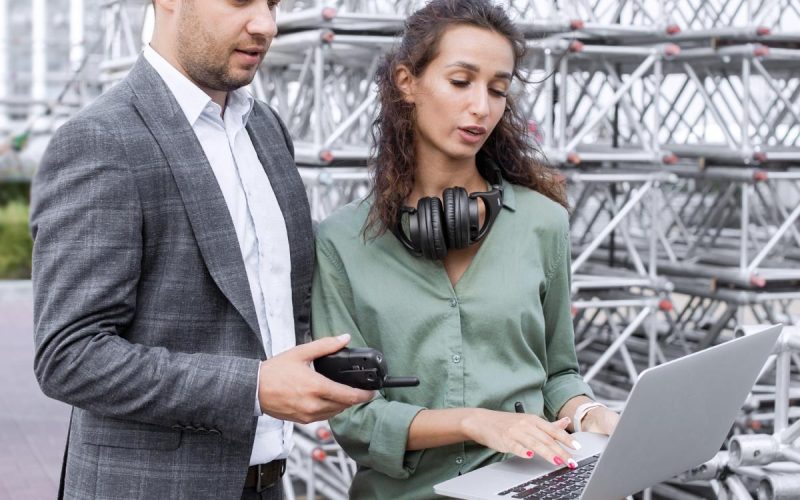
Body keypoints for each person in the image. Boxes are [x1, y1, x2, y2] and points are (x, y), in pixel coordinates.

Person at [29, 1, 373, 499]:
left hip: (269, 483)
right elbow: (69, 355)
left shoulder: (266, 128)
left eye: (274, 4)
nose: (266, 25)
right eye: (241, 1)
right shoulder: (99, 140)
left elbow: (278, 303)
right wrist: (253, 388)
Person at [311, 0, 621, 498]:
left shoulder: (543, 223)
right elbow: (351, 416)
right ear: (406, 82)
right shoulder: (341, 241)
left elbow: (559, 372)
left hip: (530, 486)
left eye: (498, 89)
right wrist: (474, 422)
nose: (482, 106)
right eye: (461, 82)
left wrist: (591, 413)